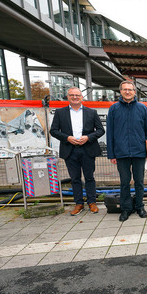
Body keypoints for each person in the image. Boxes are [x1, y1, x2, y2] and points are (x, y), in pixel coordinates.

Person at [50, 87, 105, 216]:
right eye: (72, 95)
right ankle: (78, 204)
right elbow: (53, 130)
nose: (75, 97)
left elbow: (100, 130)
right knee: (75, 178)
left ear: (81, 97)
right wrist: (67, 138)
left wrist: (88, 137)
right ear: (68, 97)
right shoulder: (60, 112)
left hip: (88, 149)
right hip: (70, 150)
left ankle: (92, 202)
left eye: (77, 95)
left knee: (89, 177)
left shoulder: (91, 112)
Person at [107, 80, 147, 222]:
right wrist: (111, 153)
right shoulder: (114, 109)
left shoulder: (142, 108)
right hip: (121, 152)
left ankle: (140, 206)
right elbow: (110, 133)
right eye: (125, 89)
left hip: (139, 151)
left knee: (139, 181)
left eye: (130, 89)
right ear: (120, 91)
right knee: (124, 182)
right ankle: (126, 209)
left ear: (135, 92)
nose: (127, 92)